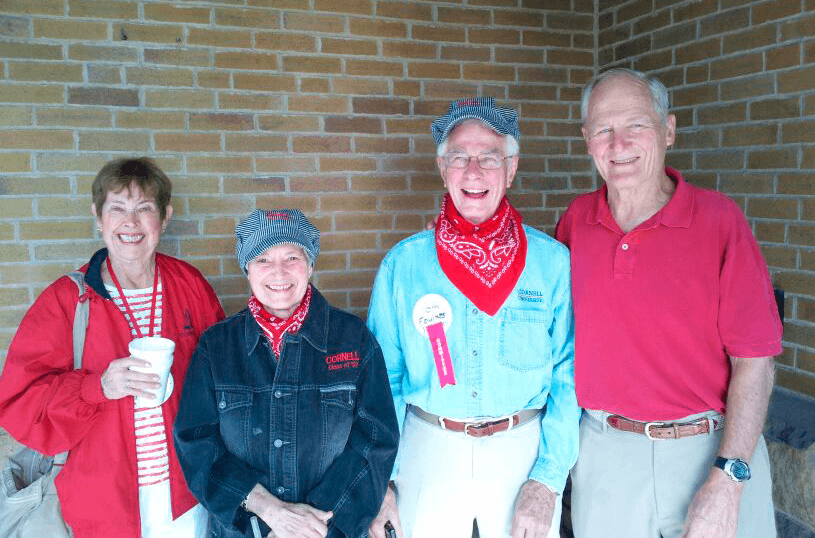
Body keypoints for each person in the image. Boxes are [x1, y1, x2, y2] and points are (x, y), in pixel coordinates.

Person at [556, 68, 781, 538]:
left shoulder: (720, 221)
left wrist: (729, 475)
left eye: (636, 124)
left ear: (668, 130)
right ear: (587, 141)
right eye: (603, 129)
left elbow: (754, 364)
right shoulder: (577, 221)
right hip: (605, 455)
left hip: (708, 449)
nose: (619, 144)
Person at [366, 98, 579, 538]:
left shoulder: (553, 263)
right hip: (428, 447)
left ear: (512, 168)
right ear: (443, 169)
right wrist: (379, 479)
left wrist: (548, 478)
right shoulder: (403, 265)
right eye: (460, 157)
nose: (474, 171)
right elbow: (382, 380)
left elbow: (568, 374)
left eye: (489, 158)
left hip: (522, 450)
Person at [0, 157, 225, 537]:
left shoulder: (190, 285)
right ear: (99, 217)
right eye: (117, 208)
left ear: (164, 217)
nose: (131, 223)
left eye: (144, 209)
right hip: (103, 505)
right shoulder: (68, 300)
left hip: (187, 498)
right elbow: (17, 404)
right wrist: (96, 387)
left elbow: (226, 379)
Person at [174, 209, 399, 538]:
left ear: (310, 264)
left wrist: (314, 526)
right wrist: (269, 513)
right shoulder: (216, 347)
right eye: (262, 259)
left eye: (291, 256)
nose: (278, 271)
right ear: (247, 269)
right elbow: (197, 445)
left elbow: (375, 441)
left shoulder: (353, 339)